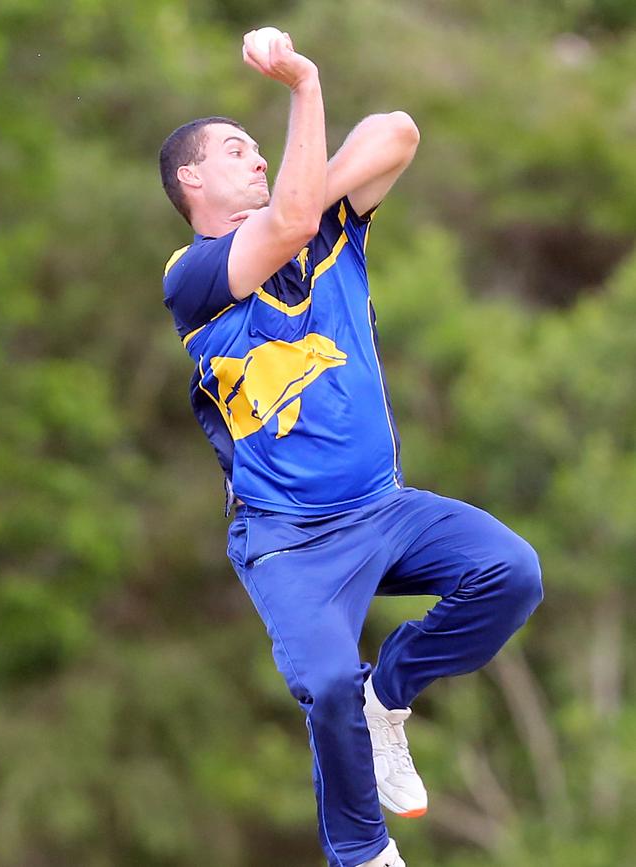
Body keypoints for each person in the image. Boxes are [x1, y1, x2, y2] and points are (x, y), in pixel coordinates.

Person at [159, 30, 543, 867]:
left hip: (384, 508)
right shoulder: (192, 273)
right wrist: (303, 85)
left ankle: (390, 697)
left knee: (511, 572)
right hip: (290, 540)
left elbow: (397, 131)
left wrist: (302, 206)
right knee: (324, 683)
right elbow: (290, 217)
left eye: (263, 149)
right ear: (191, 180)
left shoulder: (326, 228)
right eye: (236, 149)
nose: (257, 158)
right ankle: (363, 855)